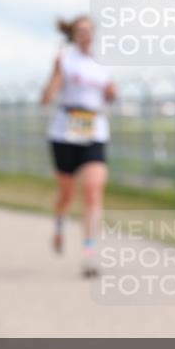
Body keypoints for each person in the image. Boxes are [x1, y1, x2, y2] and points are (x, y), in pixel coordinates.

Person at [40, 15, 116, 277]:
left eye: (89, 31)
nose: (85, 35)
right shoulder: (65, 61)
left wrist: (111, 93)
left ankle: (89, 254)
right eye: (80, 31)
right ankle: (59, 225)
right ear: (73, 35)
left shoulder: (101, 64)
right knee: (67, 193)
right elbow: (46, 96)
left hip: (95, 129)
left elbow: (111, 92)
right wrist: (55, 75)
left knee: (93, 189)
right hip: (65, 132)